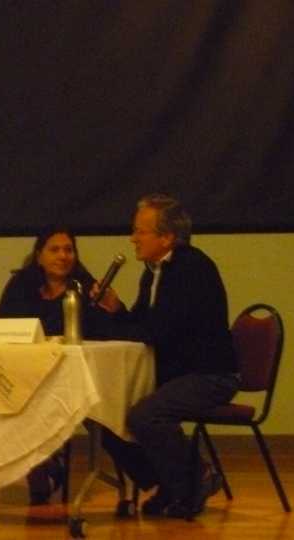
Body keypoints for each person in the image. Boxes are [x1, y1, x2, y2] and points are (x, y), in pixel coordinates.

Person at [97, 194, 239, 518]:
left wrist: (119, 327)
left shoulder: (191, 268)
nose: (133, 238)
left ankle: (194, 478)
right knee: (104, 412)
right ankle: (169, 484)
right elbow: (144, 324)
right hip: (177, 372)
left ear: (167, 237)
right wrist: (116, 311)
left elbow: (158, 332)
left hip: (209, 375)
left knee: (146, 416)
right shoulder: (154, 271)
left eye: (140, 231)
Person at [0, 225, 116, 504]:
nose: (63, 256)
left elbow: (106, 330)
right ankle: (43, 465)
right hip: (24, 375)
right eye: (55, 249)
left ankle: (44, 466)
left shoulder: (85, 288)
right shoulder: (21, 284)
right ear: (39, 256)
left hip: (71, 380)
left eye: (69, 250)